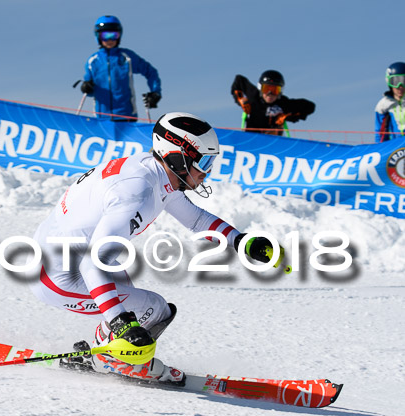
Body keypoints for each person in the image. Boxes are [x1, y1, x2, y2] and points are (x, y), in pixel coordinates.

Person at [29, 112, 286, 384]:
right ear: (178, 156)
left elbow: (196, 219)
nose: (207, 172)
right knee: (155, 309)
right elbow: (92, 262)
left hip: (64, 257)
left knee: (132, 306)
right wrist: (119, 321)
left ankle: (105, 353)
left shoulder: (155, 172)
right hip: (58, 276)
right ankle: (112, 358)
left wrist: (239, 240)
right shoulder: (136, 192)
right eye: (204, 162)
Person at [80, 15, 161, 121]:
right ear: (98, 36)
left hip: (126, 117)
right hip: (102, 120)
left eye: (114, 35)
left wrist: (155, 92)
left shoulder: (127, 57)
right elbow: (89, 90)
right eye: (105, 35)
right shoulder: (93, 61)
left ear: (119, 36)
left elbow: (151, 72)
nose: (110, 40)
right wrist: (86, 87)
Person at [231, 70, 315, 136]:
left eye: (275, 90)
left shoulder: (283, 103)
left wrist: (287, 116)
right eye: (266, 89)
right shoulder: (254, 96)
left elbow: (310, 106)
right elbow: (239, 80)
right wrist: (240, 100)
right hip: (251, 137)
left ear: (280, 91)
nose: (269, 94)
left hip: (273, 141)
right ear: (260, 88)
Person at [375, 62, 405, 142]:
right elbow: (379, 132)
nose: (400, 86)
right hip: (396, 147)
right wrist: (379, 148)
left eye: (404, 81)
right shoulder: (383, 105)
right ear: (389, 82)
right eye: (395, 82)